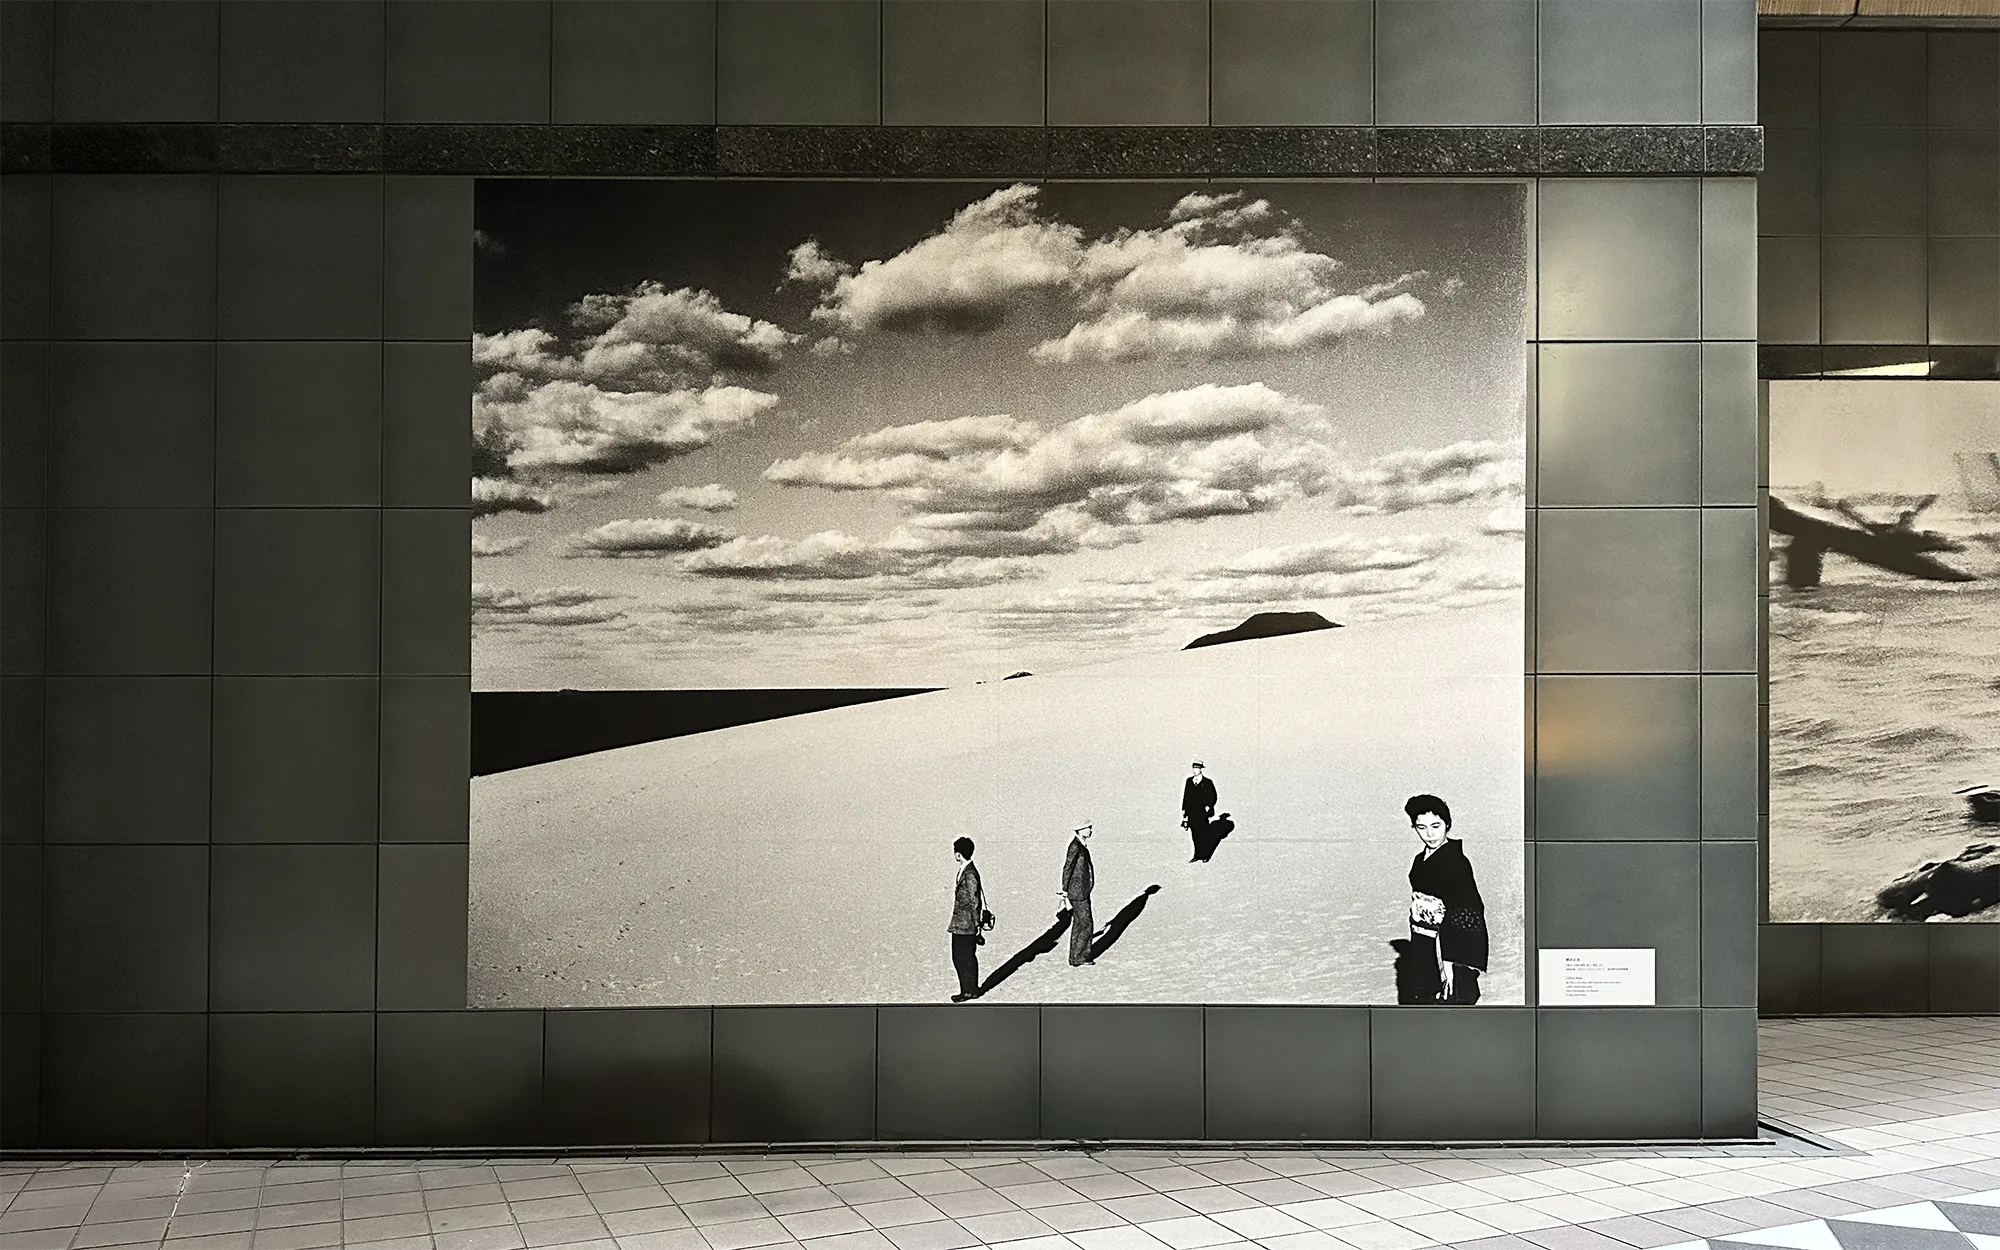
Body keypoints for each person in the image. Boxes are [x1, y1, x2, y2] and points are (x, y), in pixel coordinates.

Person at [1402, 794, 1487, 1005]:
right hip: (1423, 941)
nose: (1430, 834)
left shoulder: (1457, 862)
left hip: (1448, 945)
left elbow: (1467, 910)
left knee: (1453, 1001)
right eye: (1421, 827)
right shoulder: (1419, 860)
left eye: (1436, 825)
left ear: (1447, 824)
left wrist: (1450, 962)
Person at [948, 837, 986, 1002]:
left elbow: (974, 899)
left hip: (965, 924)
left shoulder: (969, 873)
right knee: (965, 957)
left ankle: (968, 991)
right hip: (964, 923)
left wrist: (976, 924)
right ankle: (970, 989)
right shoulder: (967, 870)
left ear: (958, 854)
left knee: (962, 957)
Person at [1058, 823, 1095, 967]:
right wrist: (1065, 890)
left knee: (1079, 924)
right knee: (1086, 923)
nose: (1090, 830)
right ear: (1079, 830)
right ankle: (1080, 957)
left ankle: (1076, 957)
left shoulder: (1080, 844)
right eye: (1087, 828)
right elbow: (1067, 868)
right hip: (1077, 891)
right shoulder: (1075, 847)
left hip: (1081, 890)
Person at [1181, 762, 1217, 861]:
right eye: (1193, 768)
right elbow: (1186, 797)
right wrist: (1184, 811)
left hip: (1202, 813)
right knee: (1194, 835)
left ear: (1201, 769)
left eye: (1196, 768)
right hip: (1192, 812)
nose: (1194, 770)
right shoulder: (1189, 781)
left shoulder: (1207, 782)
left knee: (1203, 834)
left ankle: (1205, 855)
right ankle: (1197, 855)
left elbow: (1213, 796)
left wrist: (1209, 806)